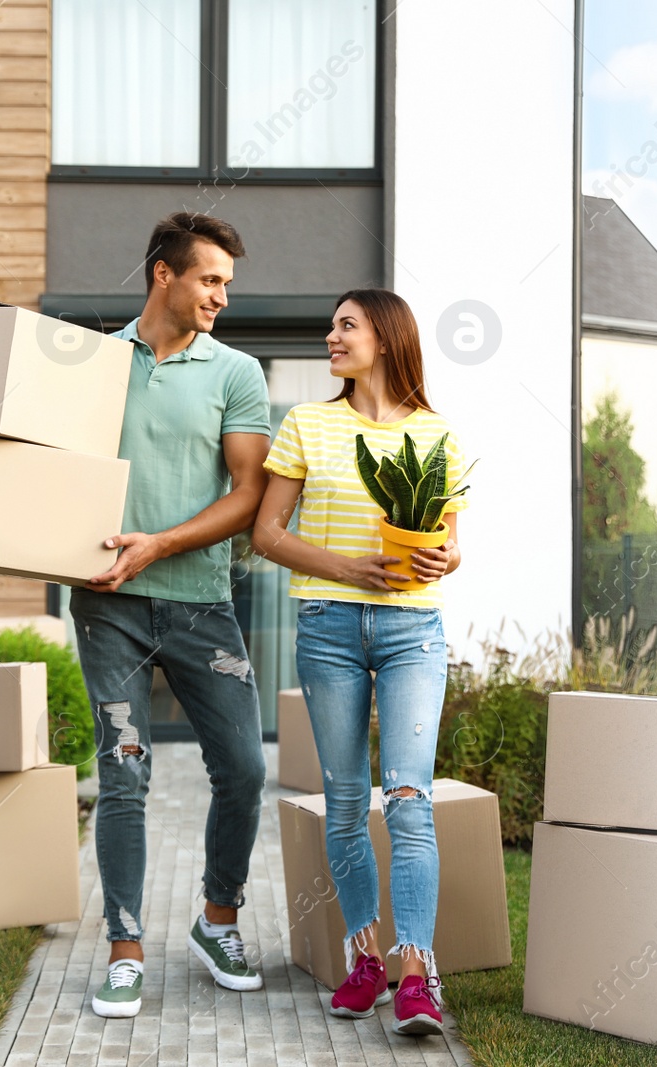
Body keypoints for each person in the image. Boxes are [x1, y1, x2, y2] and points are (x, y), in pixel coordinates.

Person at [0, 212, 272, 1019]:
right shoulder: (95, 366)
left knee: (243, 768)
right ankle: (127, 948)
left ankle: (219, 918)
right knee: (126, 772)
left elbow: (246, 497)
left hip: (203, 604)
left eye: (226, 286)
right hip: (110, 608)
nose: (220, 297)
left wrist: (158, 544)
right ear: (163, 274)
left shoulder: (236, 373)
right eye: (209, 280)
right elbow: (13, 462)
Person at [251, 288, 467, 1037]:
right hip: (328, 626)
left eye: (347, 325)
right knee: (345, 801)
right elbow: (267, 534)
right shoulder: (308, 424)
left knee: (408, 794)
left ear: (387, 336)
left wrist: (448, 553)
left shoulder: (438, 432)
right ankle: (365, 958)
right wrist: (350, 570)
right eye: (333, 325)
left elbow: (448, 541)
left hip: (413, 630)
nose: (331, 335)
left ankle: (415, 973)